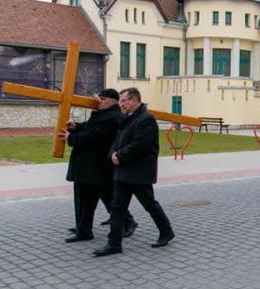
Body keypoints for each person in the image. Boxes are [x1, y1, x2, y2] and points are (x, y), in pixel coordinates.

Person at [93, 87, 175, 257]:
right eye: (121, 101)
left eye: (125, 100)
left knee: (149, 204)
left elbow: (139, 145)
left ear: (135, 99)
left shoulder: (147, 119)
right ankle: (114, 243)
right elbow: (118, 139)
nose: (122, 104)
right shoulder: (128, 118)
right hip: (124, 171)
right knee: (117, 208)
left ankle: (166, 231)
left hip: (139, 172)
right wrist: (113, 154)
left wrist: (120, 156)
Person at [60, 88, 136, 243]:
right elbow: (90, 127)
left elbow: (94, 135)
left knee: (103, 198)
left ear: (113, 101)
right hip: (90, 166)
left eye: (103, 99)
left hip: (96, 166)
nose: (99, 102)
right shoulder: (104, 115)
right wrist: (77, 127)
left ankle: (126, 222)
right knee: (88, 199)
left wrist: (71, 137)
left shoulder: (113, 117)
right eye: (99, 99)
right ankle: (83, 228)